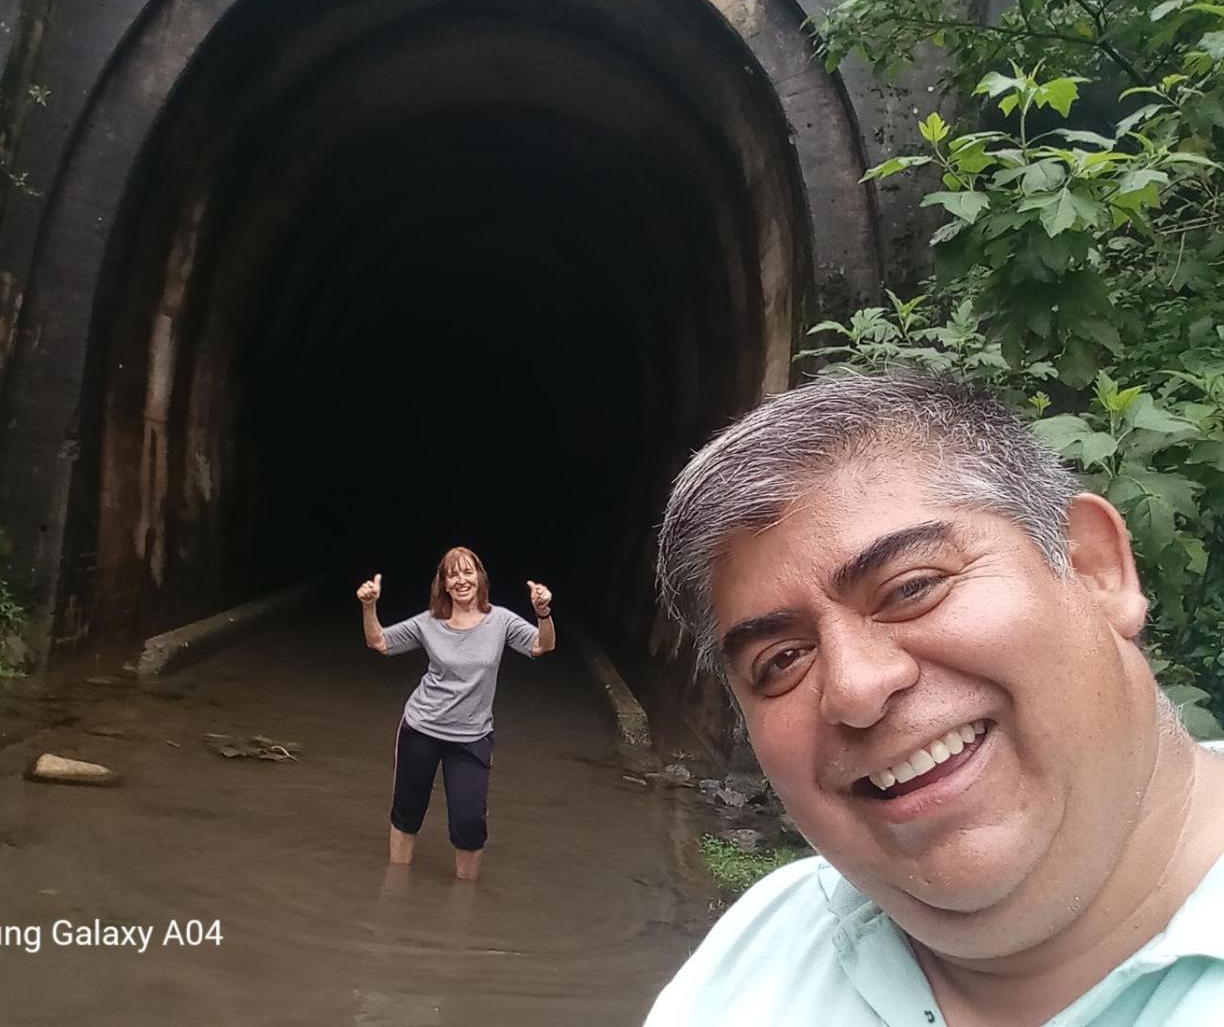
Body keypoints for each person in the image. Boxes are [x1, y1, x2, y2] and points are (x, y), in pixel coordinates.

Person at [647, 371, 1224, 1026]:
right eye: (781, 661)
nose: (856, 689)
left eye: (911, 588)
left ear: (1095, 569)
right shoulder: (753, 958)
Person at [356, 546, 555, 881]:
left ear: (480, 578)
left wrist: (543, 613)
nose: (461, 580)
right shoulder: (429, 623)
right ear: (444, 585)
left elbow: (542, 645)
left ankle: (465, 896)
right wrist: (369, 606)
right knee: (408, 812)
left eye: (467, 572)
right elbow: (379, 642)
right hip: (421, 728)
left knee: (470, 823)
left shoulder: (501, 621)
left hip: (472, 737)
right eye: (453, 575)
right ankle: (395, 887)